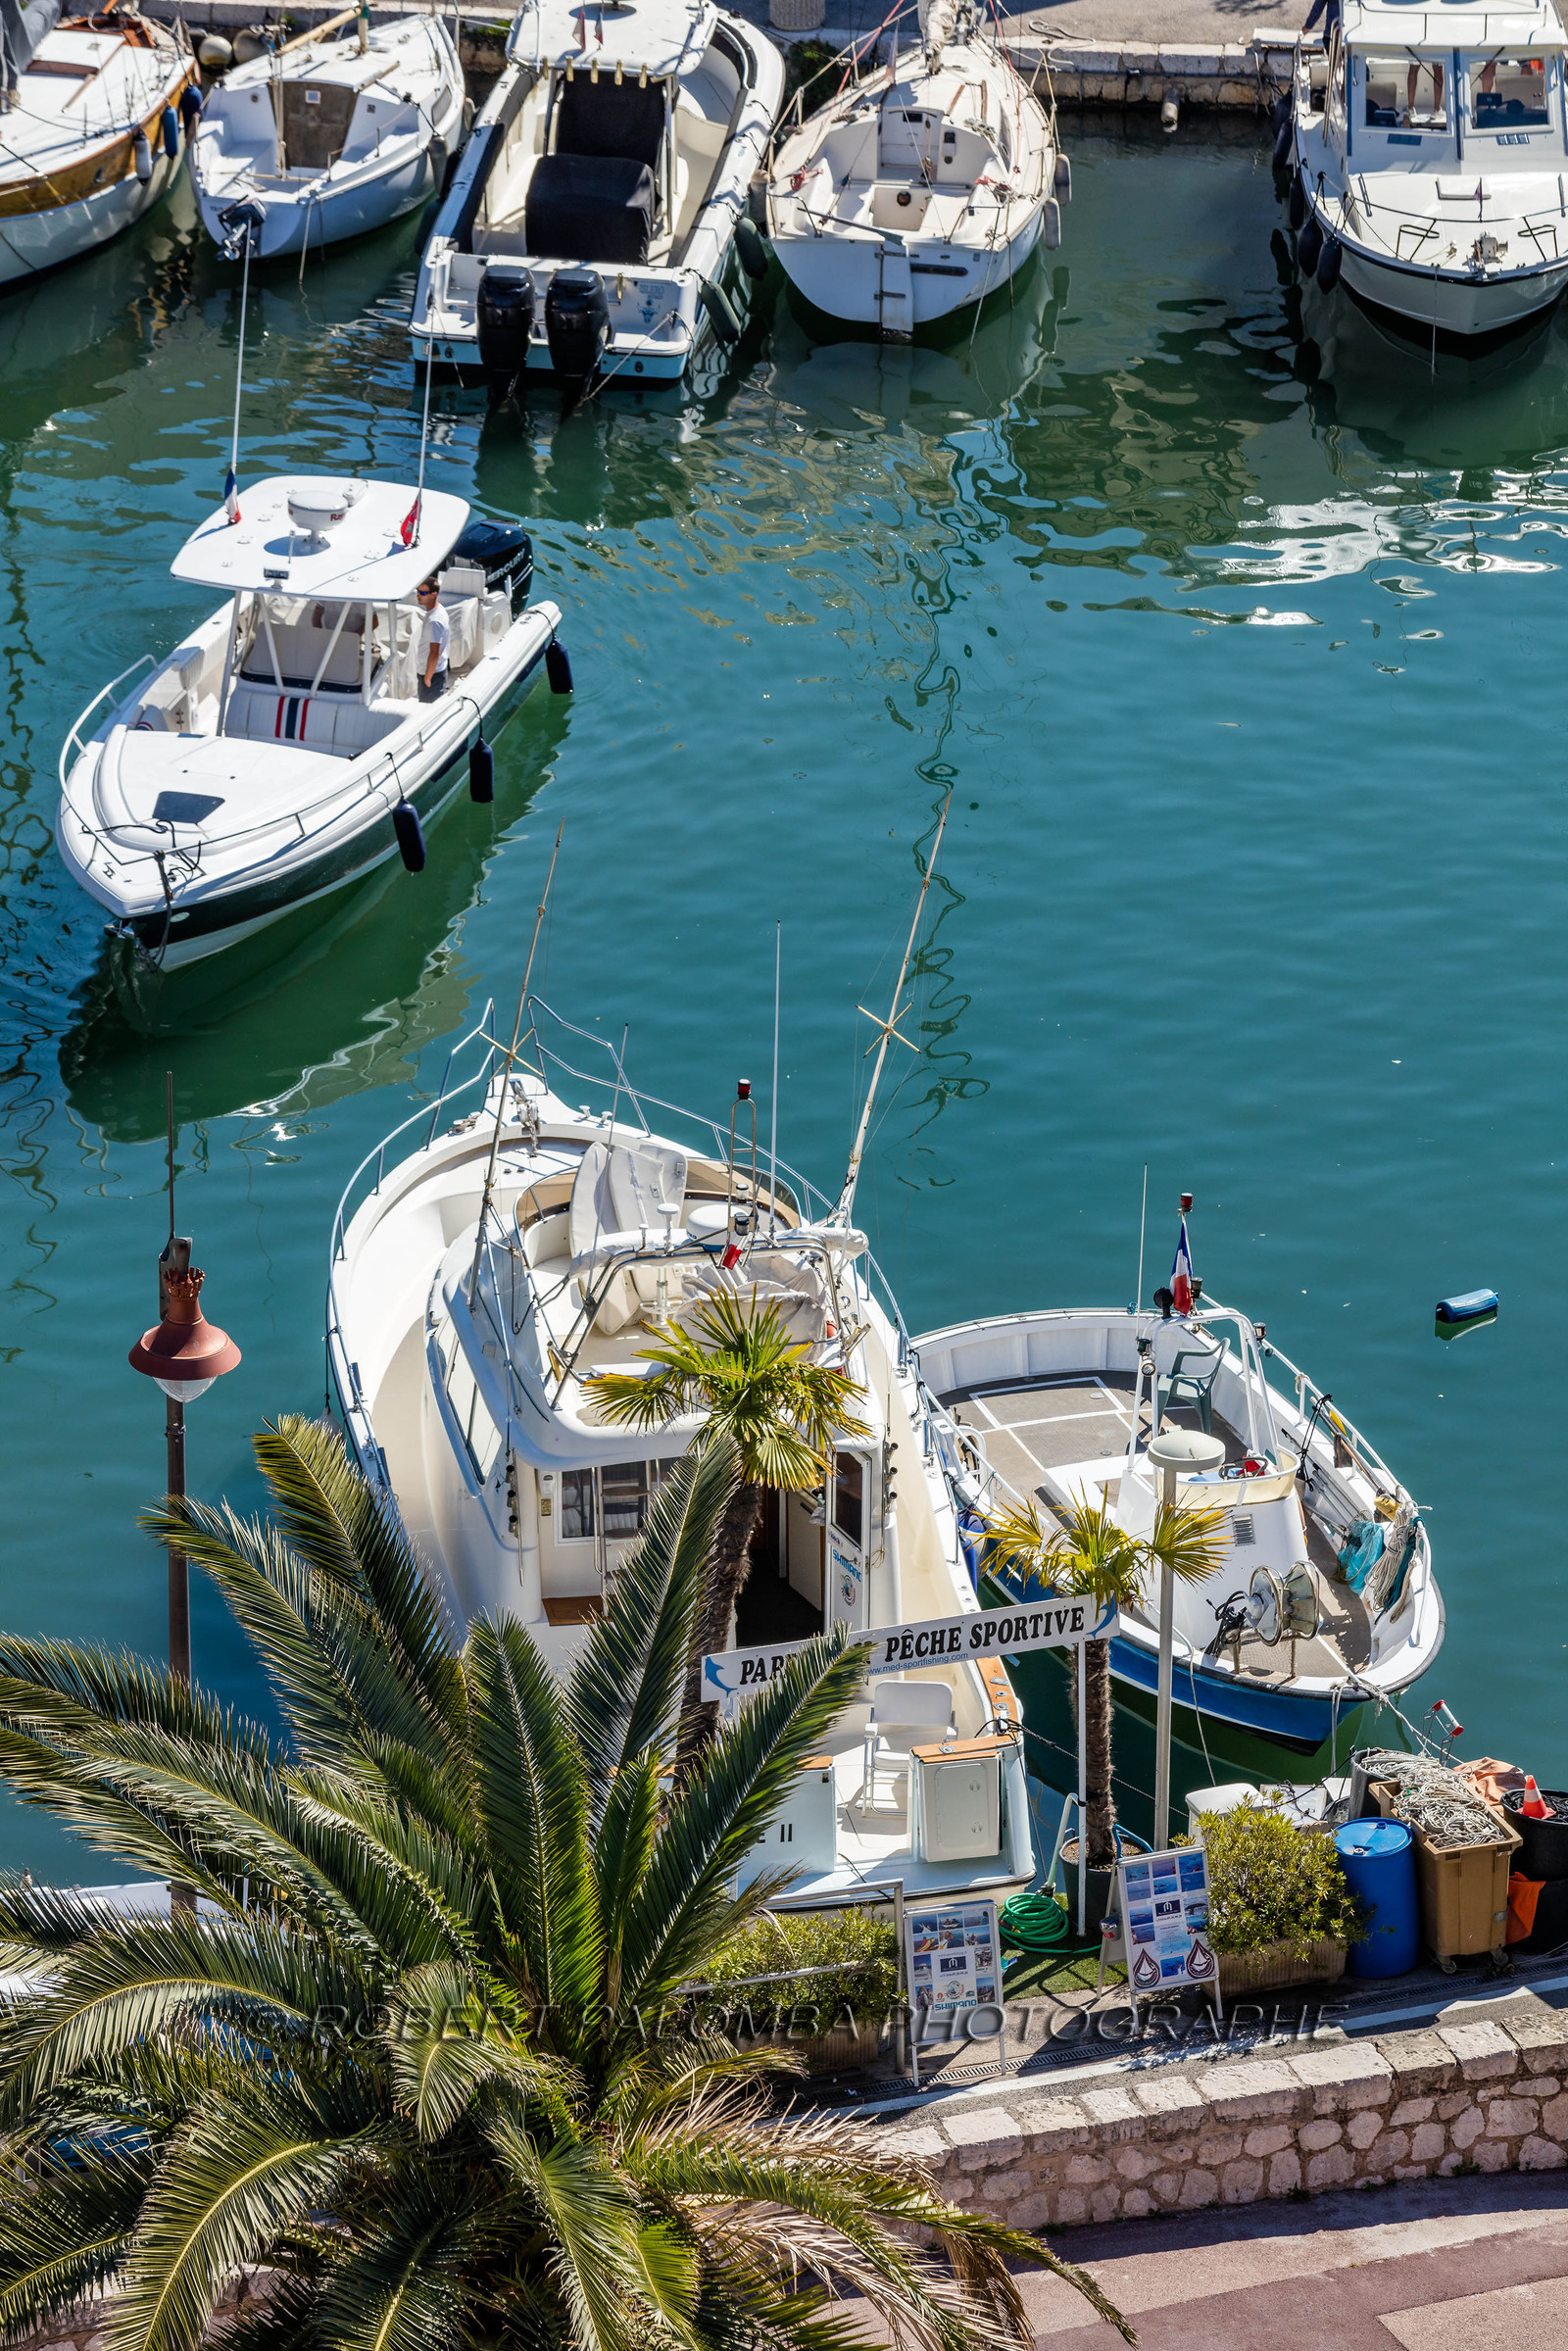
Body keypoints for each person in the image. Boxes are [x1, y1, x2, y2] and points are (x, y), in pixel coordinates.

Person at [416, 577, 449, 702]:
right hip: (430, 671)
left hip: (432, 675)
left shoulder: (435, 620)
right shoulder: (437, 610)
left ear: (434, 594)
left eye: (423, 593)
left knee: (427, 707)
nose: (418, 595)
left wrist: (428, 678)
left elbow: (434, 652)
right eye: (418, 591)